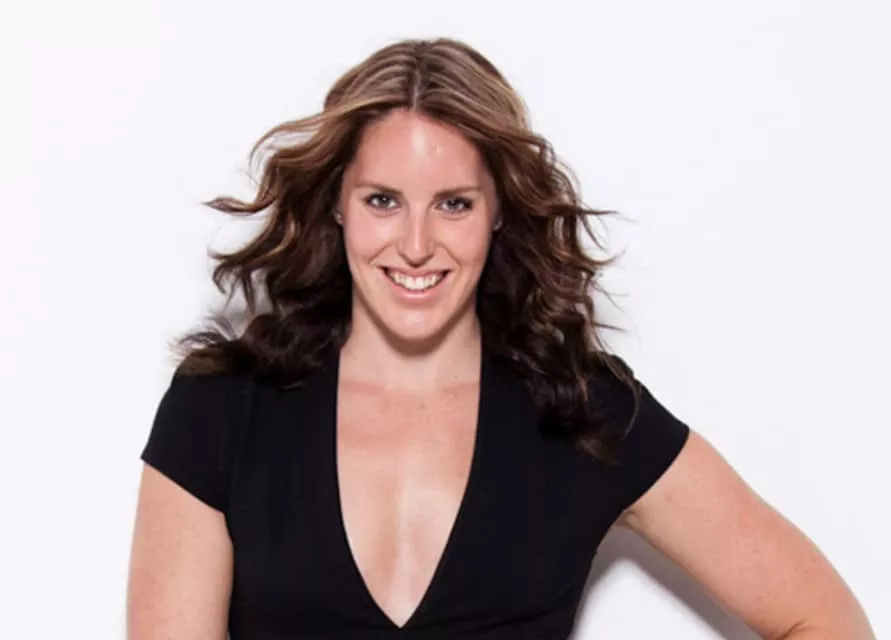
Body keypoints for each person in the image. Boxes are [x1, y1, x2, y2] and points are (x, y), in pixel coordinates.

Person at [126, 37, 874, 639]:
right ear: (337, 206)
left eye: (453, 204)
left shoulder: (582, 411)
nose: (415, 244)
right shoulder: (222, 408)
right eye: (383, 200)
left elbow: (821, 619)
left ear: (498, 213)